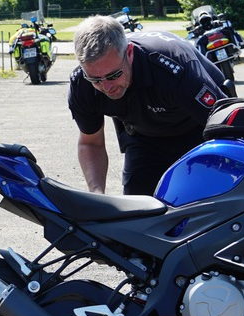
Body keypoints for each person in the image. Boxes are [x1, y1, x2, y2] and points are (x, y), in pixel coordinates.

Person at [69, 16, 227, 196]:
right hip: (144, 136)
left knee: (203, 197)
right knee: (138, 203)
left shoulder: (173, 70)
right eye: (95, 79)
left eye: (114, 75)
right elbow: (91, 143)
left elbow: (228, 130)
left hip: (201, 131)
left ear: (129, 53)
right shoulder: (82, 84)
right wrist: (96, 194)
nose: (106, 87)